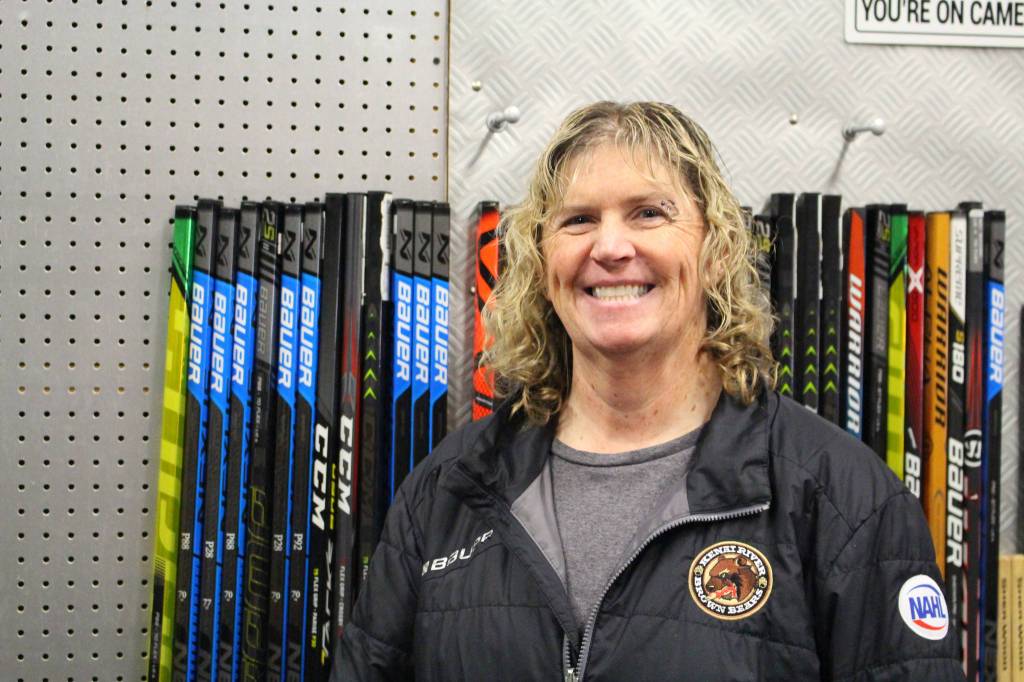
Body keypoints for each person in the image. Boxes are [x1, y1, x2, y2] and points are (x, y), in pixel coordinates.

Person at [334, 101, 965, 681]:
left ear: (716, 250)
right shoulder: (449, 489)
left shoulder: (844, 501)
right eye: (578, 220)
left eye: (649, 213)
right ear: (542, 263)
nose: (610, 247)